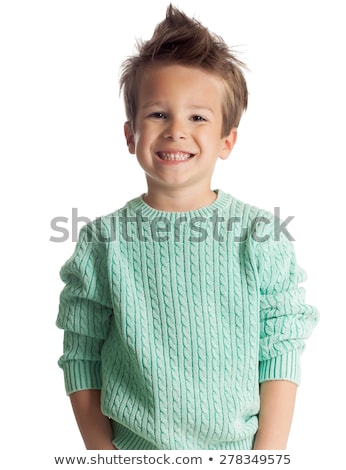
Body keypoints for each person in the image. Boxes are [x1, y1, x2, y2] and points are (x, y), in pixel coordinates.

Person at [56, 4, 319, 450]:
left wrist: (266, 458)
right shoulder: (104, 243)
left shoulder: (258, 235)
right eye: (158, 114)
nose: (177, 130)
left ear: (226, 140)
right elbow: (82, 353)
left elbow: (280, 349)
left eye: (198, 117)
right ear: (130, 135)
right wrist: (104, 457)